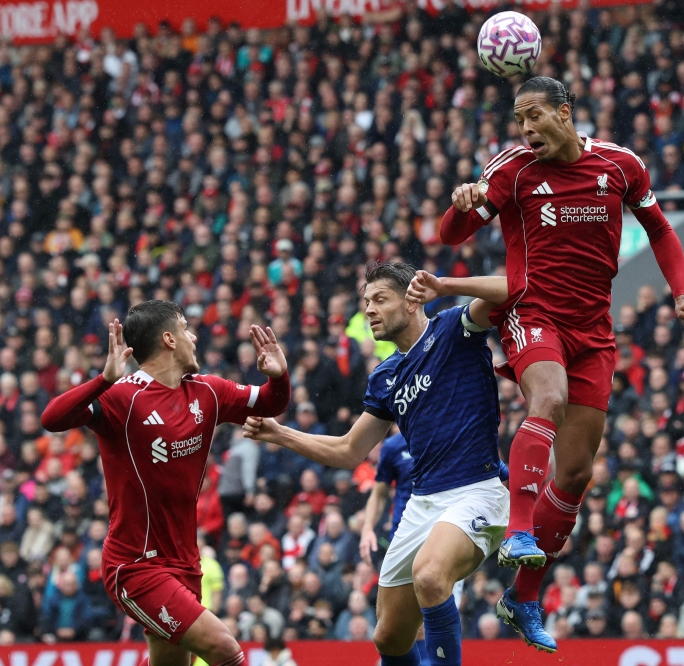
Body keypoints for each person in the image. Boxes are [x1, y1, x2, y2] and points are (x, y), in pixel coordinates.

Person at [425, 75, 684, 652]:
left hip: (593, 330)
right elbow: (449, 235)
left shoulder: (620, 165)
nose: (526, 128)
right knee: (547, 399)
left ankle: (523, 596)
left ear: (565, 112)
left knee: (577, 473)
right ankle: (519, 530)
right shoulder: (512, 170)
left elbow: (658, 228)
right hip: (532, 311)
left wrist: (681, 291)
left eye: (535, 115)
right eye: (518, 118)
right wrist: (463, 205)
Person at [242, 262, 509, 666]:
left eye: (380, 299)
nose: (369, 310)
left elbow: (515, 288)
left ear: (412, 300)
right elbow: (349, 450)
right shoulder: (386, 377)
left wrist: (445, 285)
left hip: (477, 491)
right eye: (366, 302)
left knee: (431, 576)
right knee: (387, 637)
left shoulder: (454, 328)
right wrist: (281, 434)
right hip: (423, 503)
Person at [39, 302, 290, 666]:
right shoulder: (122, 396)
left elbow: (270, 403)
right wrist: (103, 380)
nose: (194, 336)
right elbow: (51, 419)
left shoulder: (208, 392)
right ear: (169, 339)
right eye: (186, 328)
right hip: (135, 565)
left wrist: (278, 375)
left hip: (186, 563)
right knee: (224, 648)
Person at [360, 431, 506, 664]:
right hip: (404, 538)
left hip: (447, 536)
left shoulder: (451, 431)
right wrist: (367, 527)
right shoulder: (392, 447)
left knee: (433, 604)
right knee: (394, 628)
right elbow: (379, 492)